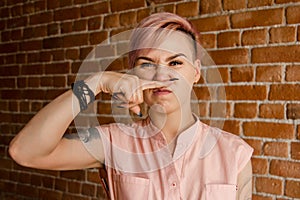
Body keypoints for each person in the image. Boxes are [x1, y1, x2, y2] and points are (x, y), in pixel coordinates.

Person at [9, 12, 253, 200]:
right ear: (132, 73)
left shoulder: (235, 154)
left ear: (196, 71)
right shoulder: (113, 143)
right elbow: (25, 152)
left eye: (175, 63)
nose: (161, 74)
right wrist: (98, 83)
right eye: (147, 64)